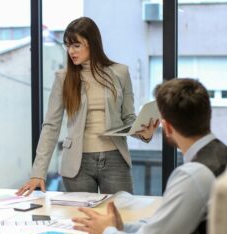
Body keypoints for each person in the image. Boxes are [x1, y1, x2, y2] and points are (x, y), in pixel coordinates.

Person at [72, 78, 227, 234]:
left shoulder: (194, 175)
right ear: (207, 115)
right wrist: (122, 228)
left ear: (166, 128)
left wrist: (106, 233)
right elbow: (166, 229)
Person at [17, 17, 158, 196]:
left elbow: (128, 118)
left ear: (92, 43)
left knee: (121, 215)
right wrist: (38, 173)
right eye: (67, 45)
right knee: (82, 219)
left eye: (76, 45)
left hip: (115, 158)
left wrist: (143, 133)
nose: (71, 51)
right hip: (77, 163)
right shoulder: (63, 78)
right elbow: (51, 126)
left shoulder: (120, 72)